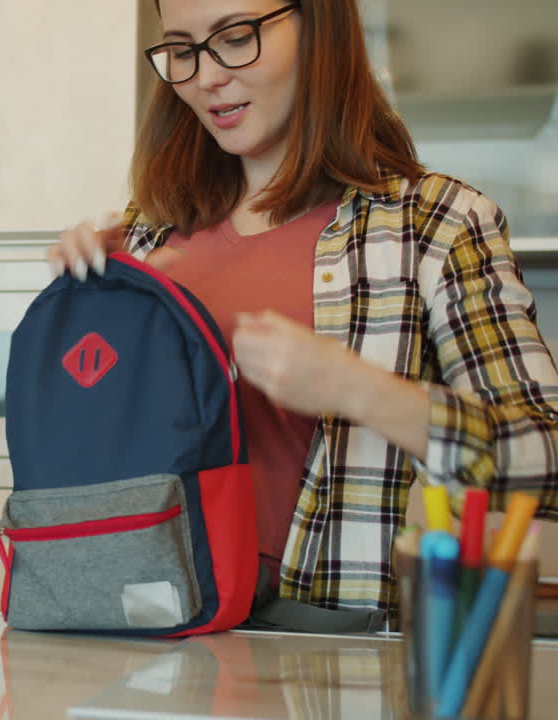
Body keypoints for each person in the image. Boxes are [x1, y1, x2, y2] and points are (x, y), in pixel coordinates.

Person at [49, 0, 558, 615]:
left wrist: (362, 391)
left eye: (235, 37)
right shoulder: (146, 235)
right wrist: (89, 313)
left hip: (326, 638)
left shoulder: (436, 223)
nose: (206, 77)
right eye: (182, 52)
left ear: (320, 28)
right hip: (147, 622)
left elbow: (546, 462)